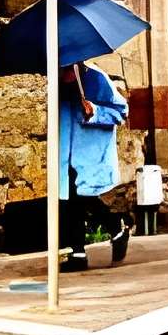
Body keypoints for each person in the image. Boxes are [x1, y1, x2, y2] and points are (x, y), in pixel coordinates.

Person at [58, 59, 129, 269]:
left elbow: (121, 112)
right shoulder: (56, 84)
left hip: (89, 154)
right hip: (65, 153)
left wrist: (95, 111)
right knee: (69, 201)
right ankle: (77, 253)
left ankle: (116, 228)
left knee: (84, 198)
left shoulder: (97, 78)